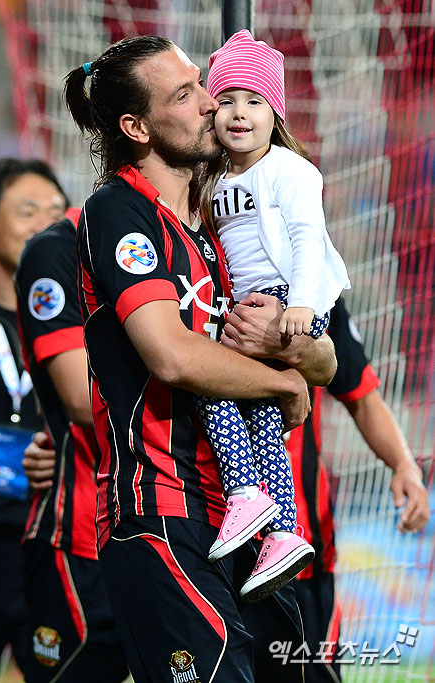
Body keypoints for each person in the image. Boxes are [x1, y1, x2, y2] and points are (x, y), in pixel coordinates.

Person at [64, 35, 336, 682]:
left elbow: (326, 362)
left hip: (241, 514)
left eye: (201, 84)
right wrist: (281, 384)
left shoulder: (229, 215)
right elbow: (173, 356)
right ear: (137, 128)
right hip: (160, 510)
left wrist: (296, 348)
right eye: (185, 94)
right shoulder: (120, 212)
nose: (213, 102)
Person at [188, 29, 351, 602]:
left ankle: (245, 494)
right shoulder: (213, 180)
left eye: (254, 101)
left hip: (287, 298)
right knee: (259, 410)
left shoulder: (290, 170)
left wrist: (299, 304)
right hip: (250, 302)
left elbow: (307, 237)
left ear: (275, 113)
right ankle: (283, 531)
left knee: (212, 379)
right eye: (227, 100)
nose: (240, 113)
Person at [222, 294, 430, 681]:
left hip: (298, 553)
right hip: (208, 540)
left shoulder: (317, 290)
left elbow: (361, 395)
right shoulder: (201, 270)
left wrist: (404, 465)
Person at [15, 209, 128, 681]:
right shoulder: (59, 250)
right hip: (81, 532)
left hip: (178, 531)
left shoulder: (213, 243)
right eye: (26, 210)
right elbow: (83, 401)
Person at [0, 158, 67, 681]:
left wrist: (69, 452)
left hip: (52, 547)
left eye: (56, 212)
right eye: (27, 210)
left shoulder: (88, 333)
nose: (44, 224)